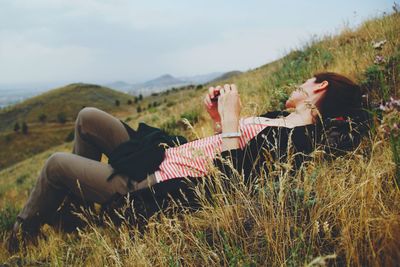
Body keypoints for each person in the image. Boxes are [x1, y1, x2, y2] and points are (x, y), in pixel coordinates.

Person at [6, 72, 369, 252]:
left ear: (319, 87)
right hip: (163, 157)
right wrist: (217, 117)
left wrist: (230, 121)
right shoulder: (279, 119)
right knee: (88, 116)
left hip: (157, 185)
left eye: (306, 81)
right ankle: (75, 211)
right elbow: (224, 150)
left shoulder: (298, 140)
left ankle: (20, 239)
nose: (299, 84)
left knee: (55, 164)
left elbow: (233, 186)